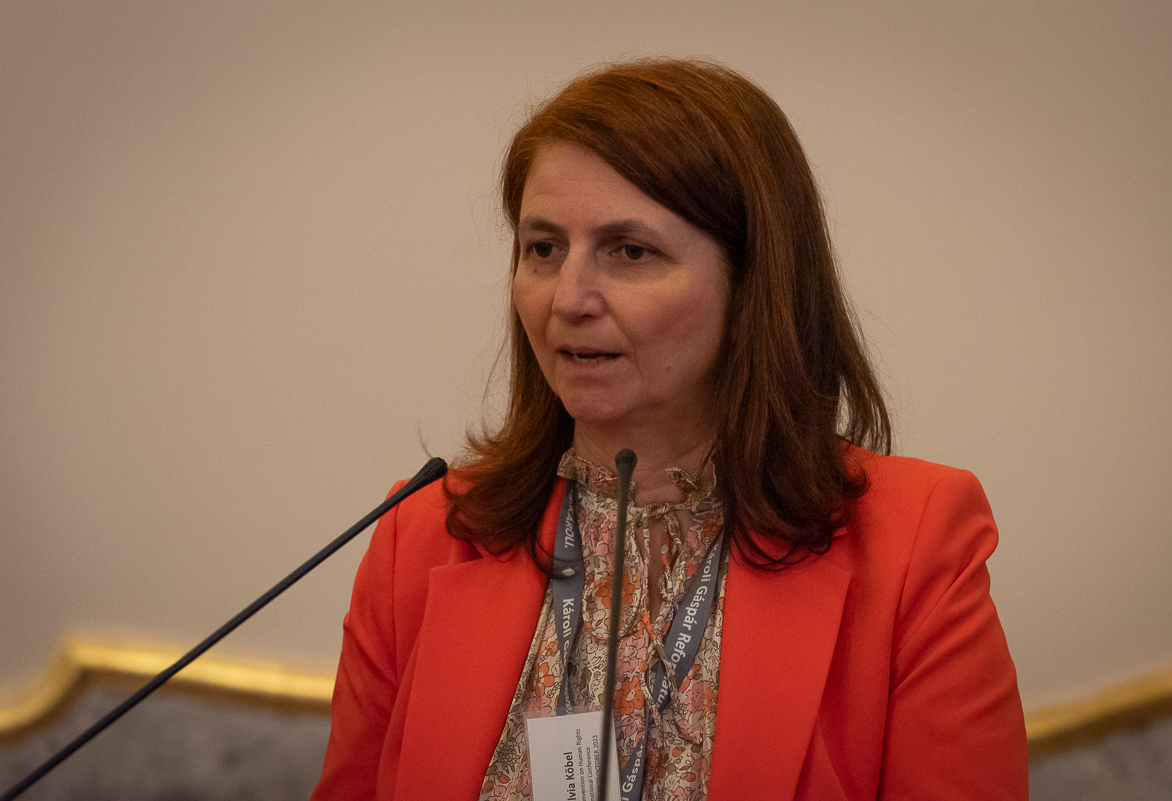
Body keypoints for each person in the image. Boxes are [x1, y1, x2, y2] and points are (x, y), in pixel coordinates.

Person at [311, 59, 1027, 800]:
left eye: (631, 251)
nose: (568, 299)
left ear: (752, 284)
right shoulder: (421, 534)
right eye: (544, 249)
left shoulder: (917, 548)